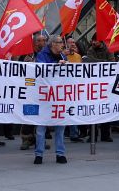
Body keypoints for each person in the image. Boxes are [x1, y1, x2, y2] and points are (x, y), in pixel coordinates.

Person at [34, 36, 67, 164]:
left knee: (60, 126)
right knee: (41, 127)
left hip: (58, 96)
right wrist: (55, 65)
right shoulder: (42, 55)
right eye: (60, 43)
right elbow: (40, 68)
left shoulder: (63, 57)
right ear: (53, 44)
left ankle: (60, 153)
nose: (62, 45)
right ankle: (39, 154)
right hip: (44, 97)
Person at [85, 39, 115, 144]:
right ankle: (92, 135)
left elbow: (112, 62)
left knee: (106, 109)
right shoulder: (90, 50)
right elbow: (89, 61)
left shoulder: (109, 50)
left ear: (101, 42)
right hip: (93, 84)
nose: (93, 42)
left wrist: (99, 62)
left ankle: (105, 135)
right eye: (92, 40)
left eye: (95, 41)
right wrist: (104, 62)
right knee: (93, 110)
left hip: (106, 84)